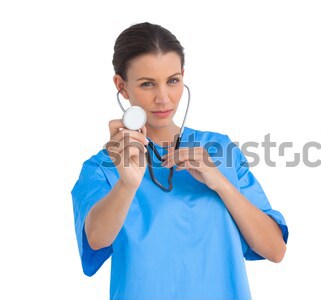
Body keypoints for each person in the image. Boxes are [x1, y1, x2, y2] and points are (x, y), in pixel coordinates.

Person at [71, 22, 289, 300]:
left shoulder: (219, 149)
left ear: (183, 76)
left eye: (172, 80)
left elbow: (275, 250)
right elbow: (97, 239)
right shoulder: (101, 167)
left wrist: (221, 184)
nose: (163, 98)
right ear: (121, 86)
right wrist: (127, 185)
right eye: (147, 84)